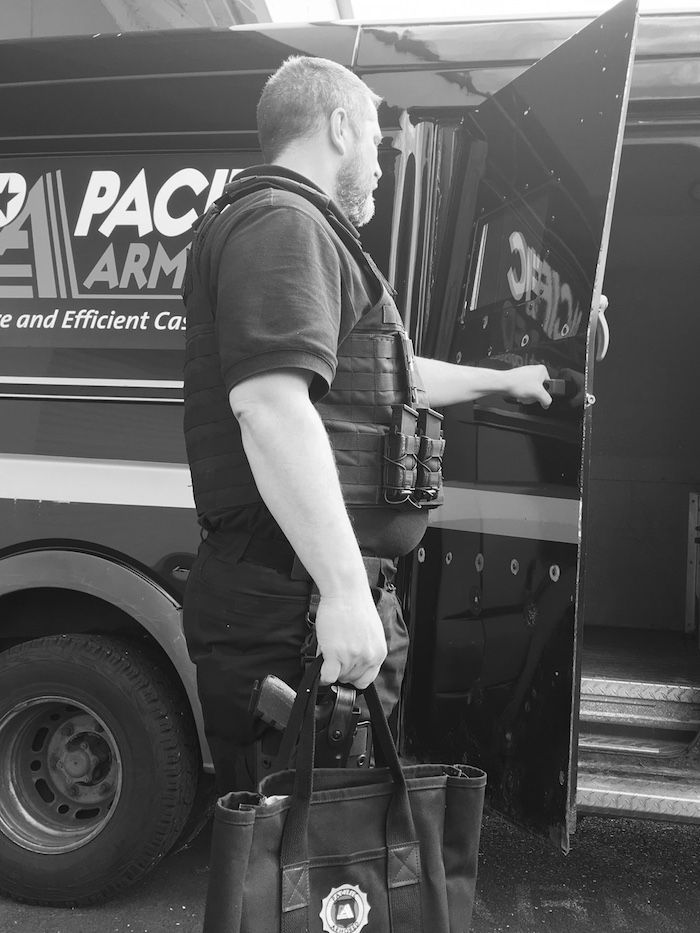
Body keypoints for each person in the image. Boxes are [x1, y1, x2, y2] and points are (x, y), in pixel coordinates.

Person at [181, 55, 552, 794]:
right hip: (297, 607)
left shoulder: (292, 226)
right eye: (379, 143)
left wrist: (505, 379)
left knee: (317, 866)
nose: (383, 166)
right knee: (306, 876)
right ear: (340, 125)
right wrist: (347, 592)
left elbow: (394, 381)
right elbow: (272, 406)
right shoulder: (285, 223)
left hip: (301, 597)